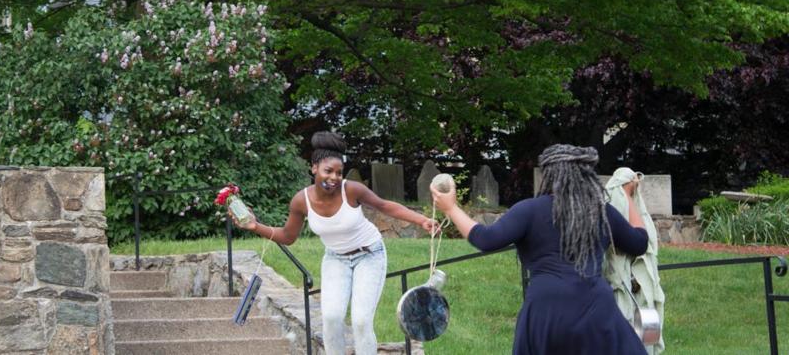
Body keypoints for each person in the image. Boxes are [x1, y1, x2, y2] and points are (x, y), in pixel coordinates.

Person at [430, 144, 649, 355]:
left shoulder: (528, 210)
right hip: (596, 306)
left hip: (546, 309)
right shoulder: (601, 211)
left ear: (549, 174)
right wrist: (628, 197)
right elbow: (640, 242)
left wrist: (451, 208)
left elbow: (486, 239)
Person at [231, 131, 436, 355]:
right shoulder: (301, 201)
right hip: (335, 259)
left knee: (361, 321)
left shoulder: (352, 190)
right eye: (328, 171)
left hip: (369, 255)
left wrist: (422, 220)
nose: (334, 177)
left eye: (339, 172)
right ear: (314, 168)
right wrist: (255, 226)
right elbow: (288, 236)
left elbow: (385, 206)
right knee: (331, 318)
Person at [603, 167, 665, 355]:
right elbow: (640, 242)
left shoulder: (605, 212)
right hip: (618, 288)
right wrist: (627, 194)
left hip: (635, 291)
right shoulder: (611, 213)